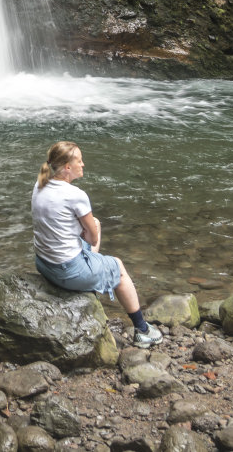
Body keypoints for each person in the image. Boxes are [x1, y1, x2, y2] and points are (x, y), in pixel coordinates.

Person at [31, 140, 162, 347]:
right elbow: (92, 239)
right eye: (80, 161)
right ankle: (143, 330)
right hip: (66, 271)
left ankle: (89, 277)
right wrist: (84, 230)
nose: (83, 165)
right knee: (118, 267)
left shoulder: (40, 185)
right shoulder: (76, 195)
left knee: (96, 224)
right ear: (67, 167)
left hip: (43, 263)